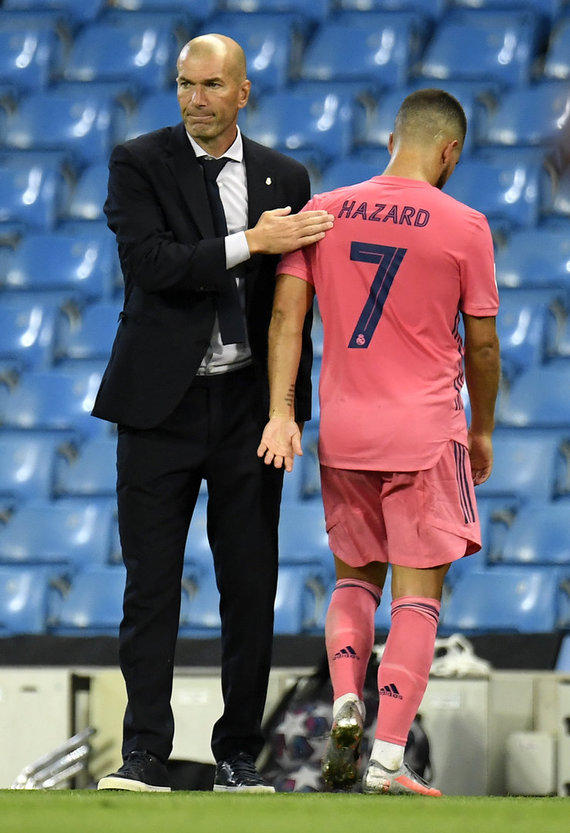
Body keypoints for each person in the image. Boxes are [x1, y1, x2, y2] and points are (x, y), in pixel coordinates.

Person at [94, 34, 334, 793]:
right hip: (156, 409)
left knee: (249, 582)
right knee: (150, 585)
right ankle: (144, 752)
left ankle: (238, 753)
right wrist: (248, 242)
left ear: (243, 92)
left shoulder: (287, 176)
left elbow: (296, 309)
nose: (195, 98)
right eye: (184, 84)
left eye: (210, 85)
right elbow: (150, 264)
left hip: (245, 410)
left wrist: (287, 409)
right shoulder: (138, 160)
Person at [258, 89, 500, 796]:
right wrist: (481, 427)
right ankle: (389, 758)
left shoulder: (323, 211)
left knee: (353, 577)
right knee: (417, 597)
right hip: (423, 433)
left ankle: (343, 698)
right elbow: (481, 347)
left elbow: (285, 320)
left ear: (392, 137)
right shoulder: (464, 224)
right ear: (450, 150)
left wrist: (282, 411)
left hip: (345, 429)